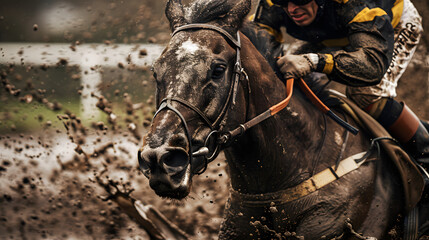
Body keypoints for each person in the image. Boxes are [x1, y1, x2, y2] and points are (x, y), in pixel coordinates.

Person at [252, 0, 429, 172]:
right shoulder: (270, 4)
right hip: (331, 34)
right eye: (282, 2)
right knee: (287, 76)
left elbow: (372, 65)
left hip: (388, 27)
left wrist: (314, 61)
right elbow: (256, 45)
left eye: (300, 0)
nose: (291, 9)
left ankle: (425, 153)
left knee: (365, 94)